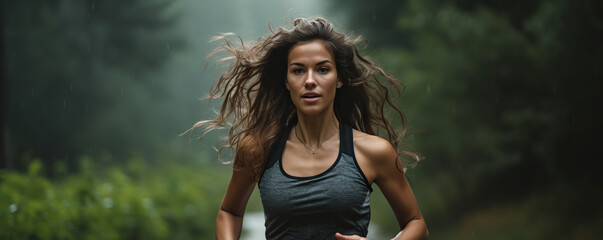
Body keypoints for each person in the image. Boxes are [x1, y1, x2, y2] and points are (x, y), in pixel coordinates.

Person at [191, 17, 427, 240]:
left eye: (323, 69)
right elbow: (229, 212)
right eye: (298, 70)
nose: (310, 80)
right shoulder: (259, 149)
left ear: (339, 78)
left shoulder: (373, 152)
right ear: (286, 81)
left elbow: (416, 224)